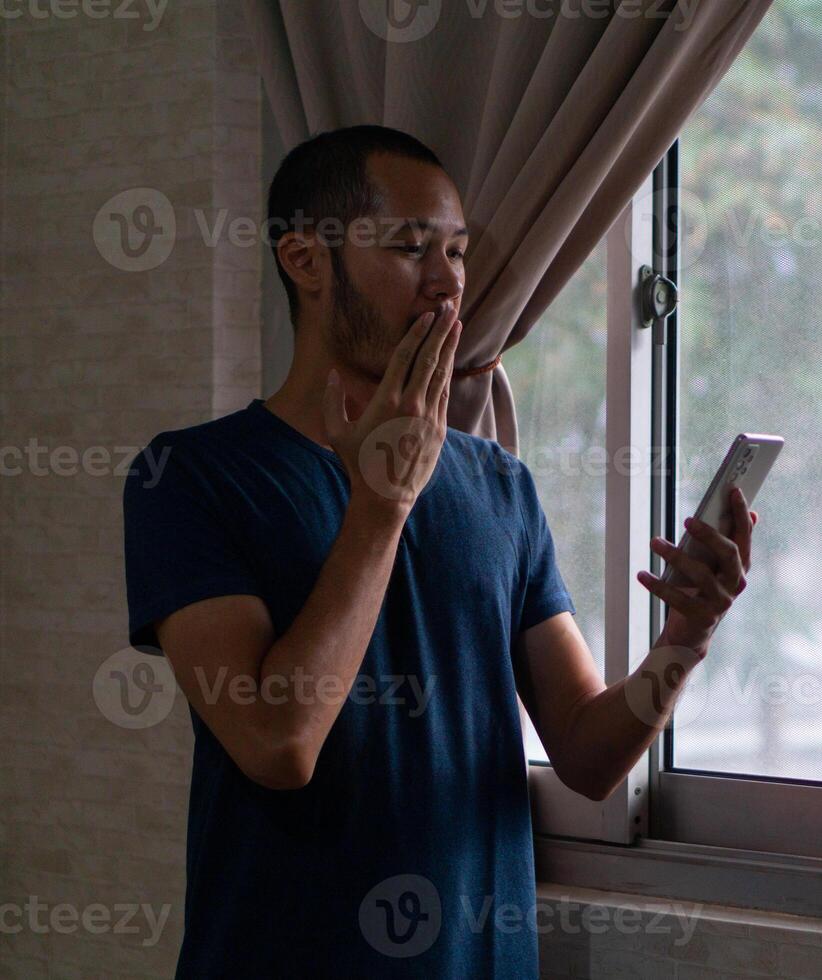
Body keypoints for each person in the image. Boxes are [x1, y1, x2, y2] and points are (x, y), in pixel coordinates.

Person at [122, 124, 758, 977]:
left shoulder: (498, 483)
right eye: (410, 247)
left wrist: (684, 638)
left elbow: (587, 755)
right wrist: (382, 502)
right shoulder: (193, 477)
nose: (446, 283)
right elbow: (277, 743)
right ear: (306, 261)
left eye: (456, 253)